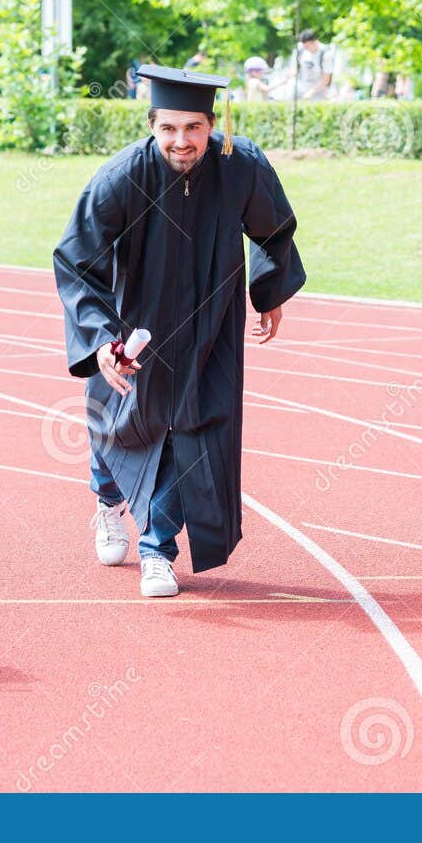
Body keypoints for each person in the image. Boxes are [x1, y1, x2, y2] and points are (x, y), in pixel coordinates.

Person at [54, 63, 305, 597]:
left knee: (190, 431)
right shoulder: (122, 177)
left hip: (210, 327)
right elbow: (77, 260)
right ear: (151, 125)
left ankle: (157, 550)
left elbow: (274, 226)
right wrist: (101, 340)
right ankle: (106, 500)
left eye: (193, 127)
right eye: (169, 128)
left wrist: (270, 292)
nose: (181, 140)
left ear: (211, 125)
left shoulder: (241, 167)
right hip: (134, 326)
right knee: (117, 425)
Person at [295, 29, 334, 99]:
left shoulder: (326, 54)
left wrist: (311, 92)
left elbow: (326, 80)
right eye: (304, 46)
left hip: (319, 92)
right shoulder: (301, 50)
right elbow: (294, 71)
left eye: (307, 46)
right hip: (303, 90)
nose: (306, 49)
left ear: (315, 42)